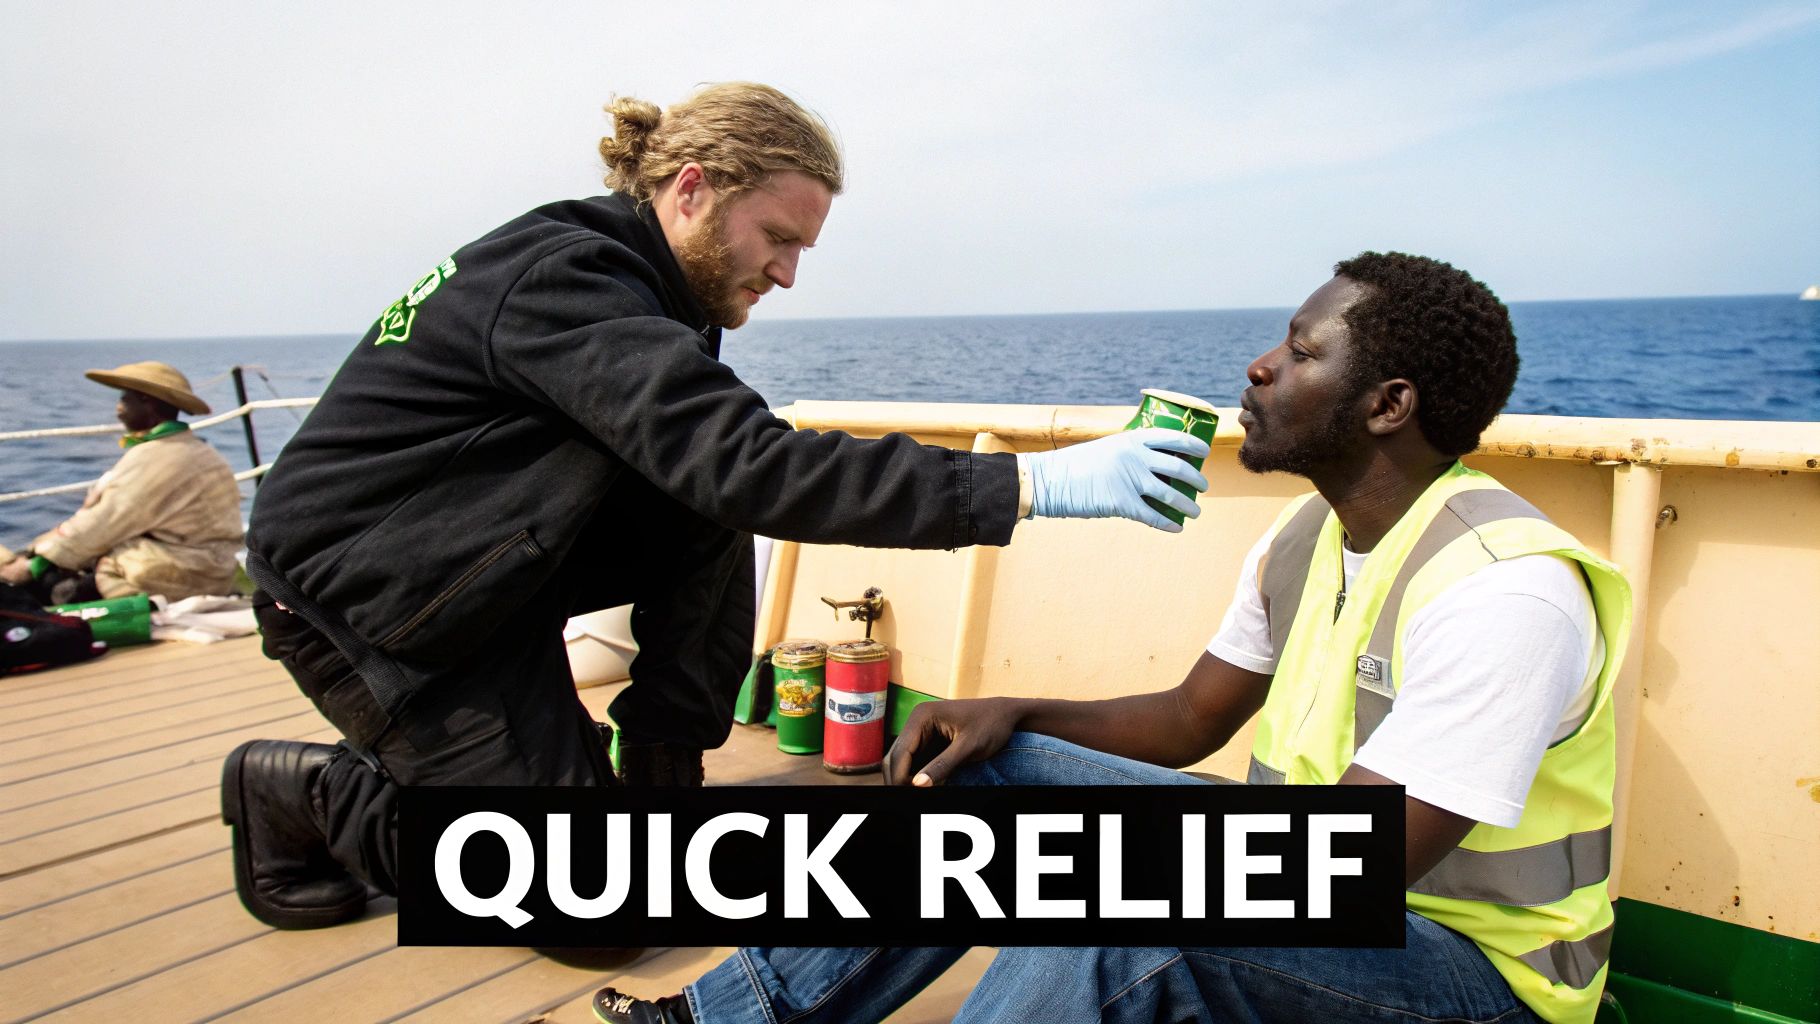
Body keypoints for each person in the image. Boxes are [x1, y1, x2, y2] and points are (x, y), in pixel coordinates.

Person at [222, 82, 1211, 934]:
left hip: (478, 571)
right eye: (778, 238)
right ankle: (299, 791)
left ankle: (656, 790)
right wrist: (1037, 481)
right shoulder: (568, 279)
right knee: (589, 908)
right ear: (691, 188)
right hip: (370, 608)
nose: (786, 272)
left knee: (698, 498)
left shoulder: (655, 291)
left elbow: (714, 472)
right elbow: (751, 463)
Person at [594, 253, 1634, 1024]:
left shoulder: (1505, 593)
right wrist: (1013, 713)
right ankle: (729, 1017)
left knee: (1139, 903)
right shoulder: (1308, 536)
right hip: (1310, 900)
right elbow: (1190, 718)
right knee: (983, 774)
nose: (1259, 366)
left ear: (1386, 404)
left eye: (1301, 352)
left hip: (1469, 982)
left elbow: (1343, 871)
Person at [0, 361, 242, 606]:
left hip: (182, 572)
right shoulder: (196, 450)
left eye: (125, 399)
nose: (118, 408)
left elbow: (105, 521)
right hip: (212, 567)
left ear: (147, 401)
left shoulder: (157, 456)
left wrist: (36, 563)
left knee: (54, 589)